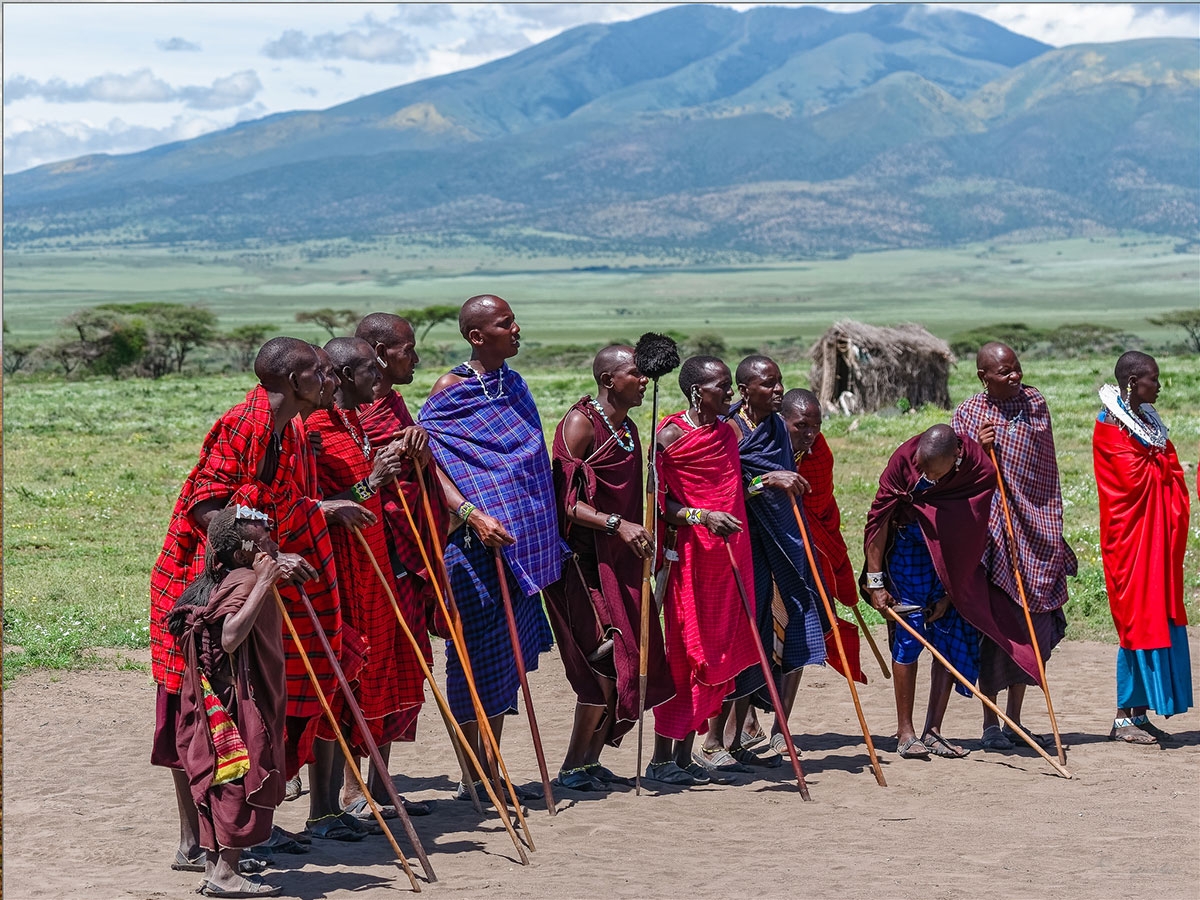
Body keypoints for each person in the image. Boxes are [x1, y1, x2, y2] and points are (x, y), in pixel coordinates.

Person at [150, 337, 335, 869]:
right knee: (201, 709)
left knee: (246, 708)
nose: (328, 382)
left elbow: (278, 502)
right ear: (295, 382)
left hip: (246, 579)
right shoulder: (243, 426)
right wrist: (262, 559)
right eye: (319, 374)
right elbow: (206, 509)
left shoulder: (289, 431)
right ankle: (195, 843)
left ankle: (235, 835)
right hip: (203, 585)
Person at [418, 295, 564, 800]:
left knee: (507, 661)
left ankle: (491, 767)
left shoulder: (514, 384)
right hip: (473, 548)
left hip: (519, 550)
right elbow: (431, 466)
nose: (517, 329)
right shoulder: (449, 391)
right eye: (506, 324)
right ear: (478, 336)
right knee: (475, 659)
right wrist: (472, 515)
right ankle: (470, 775)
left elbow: (526, 465)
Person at [308, 337, 433, 820]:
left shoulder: (351, 423)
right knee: (337, 688)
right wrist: (372, 481)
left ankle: (361, 795)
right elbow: (320, 504)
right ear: (342, 377)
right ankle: (328, 809)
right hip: (340, 574)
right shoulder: (316, 430)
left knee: (364, 683)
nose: (377, 379)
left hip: (373, 571)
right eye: (368, 371)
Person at [863, 424, 1040, 759]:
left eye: (934, 473)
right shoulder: (903, 462)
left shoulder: (976, 470)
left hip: (951, 557)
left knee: (947, 633)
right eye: (923, 470)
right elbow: (879, 521)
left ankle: (933, 731)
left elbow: (971, 532)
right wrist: (876, 583)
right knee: (909, 632)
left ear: (956, 459)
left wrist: (951, 591)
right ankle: (905, 733)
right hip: (908, 552)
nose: (926, 478)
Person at [543, 345, 673, 791]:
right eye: (634, 373)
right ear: (608, 379)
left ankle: (591, 761)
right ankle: (572, 764)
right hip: (583, 564)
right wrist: (617, 524)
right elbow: (563, 502)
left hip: (621, 561)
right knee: (603, 657)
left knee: (630, 659)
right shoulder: (580, 425)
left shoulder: (631, 430)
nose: (643, 381)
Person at [953, 343, 1076, 751]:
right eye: (1004, 372)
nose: (1015, 377)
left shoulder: (1035, 403)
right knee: (999, 630)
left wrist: (1000, 438)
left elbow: (1042, 463)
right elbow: (954, 472)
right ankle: (992, 723)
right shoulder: (969, 415)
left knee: (1032, 632)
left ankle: (1017, 721)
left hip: (1036, 529)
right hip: (994, 538)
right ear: (982, 377)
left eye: (1017, 369)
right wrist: (976, 446)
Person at [702, 357, 819, 773]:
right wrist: (764, 481)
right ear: (744, 388)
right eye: (768, 384)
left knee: (763, 638)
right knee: (735, 635)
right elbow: (720, 493)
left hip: (774, 547)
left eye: (779, 383)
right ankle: (712, 741)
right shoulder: (728, 431)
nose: (777, 390)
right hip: (737, 546)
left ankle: (737, 739)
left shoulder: (773, 429)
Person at [646, 355, 759, 786]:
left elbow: (732, 489)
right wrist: (702, 516)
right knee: (683, 655)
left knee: (717, 654)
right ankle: (660, 760)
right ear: (697, 392)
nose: (731, 394)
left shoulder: (725, 432)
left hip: (730, 560)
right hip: (689, 561)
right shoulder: (670, 435)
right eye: (723, 386)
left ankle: (685, 756)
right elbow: (662, 506)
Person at [167, 505, 286, 898]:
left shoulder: (240, 573)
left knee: (226, 777)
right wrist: (264, 584)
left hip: (227, 696)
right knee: (236, 777)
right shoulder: (246, 580)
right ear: (240, 554)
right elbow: (230, 637)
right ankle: (225, 873)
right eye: (261, 540)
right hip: (234, 701)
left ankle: (219, 869)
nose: (269, 541)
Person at [1094, 350, 1192, 744]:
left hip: (1154, 541)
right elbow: (1128, 484)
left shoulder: (1147, 421)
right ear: (1133, 382)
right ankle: (1122, 717)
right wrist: (1161, 465)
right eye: (1154, 378)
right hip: (1130, 542)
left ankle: (1138, 714)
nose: (1161, 384)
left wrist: (1163, 463)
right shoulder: (1109, 427)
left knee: (1155, 615)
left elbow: (1163, 463)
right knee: (1137, 620)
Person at [783, 389, 865, 687]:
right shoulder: (761, 443)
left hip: (811, 542)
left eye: (815, 427)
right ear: (782, 420)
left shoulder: (819, 453)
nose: (809, 434)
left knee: (803, 623)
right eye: (801, 426)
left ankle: (781, 727)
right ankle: (746, 721)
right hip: (769, 544)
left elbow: (819, 502)